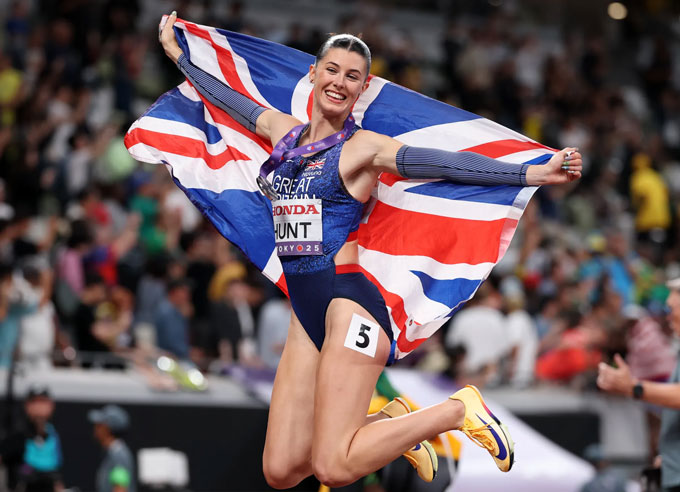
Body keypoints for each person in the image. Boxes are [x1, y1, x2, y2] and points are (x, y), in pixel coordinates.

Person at [160, 12, 582, 488]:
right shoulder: (284, 134)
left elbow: (443, 164)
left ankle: (455, 410)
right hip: (306, 312)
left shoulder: (362, 149)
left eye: (352, 76)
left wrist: (531, 173)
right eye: (332, 70)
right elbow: (229, 100)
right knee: (281, 470)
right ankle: (393, 420)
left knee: (334, 467)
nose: (339, 82)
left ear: (362, 88)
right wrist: (180, 58)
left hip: (349, 305)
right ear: (314, 74)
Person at [597, 277, 680, 492]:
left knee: (654, 421)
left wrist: (633, 387)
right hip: (672, 470)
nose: (667, 316)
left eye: (672, 309)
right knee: (654, 423)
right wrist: (669, 456)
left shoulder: (646, 336)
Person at [0, 385, 64, 492]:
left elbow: (56, 476)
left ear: (51, 405)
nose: (38, 407)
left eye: (42, 401)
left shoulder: (54, 435)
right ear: (27, 406)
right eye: (34, 402)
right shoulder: (17, 436)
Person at [88, 404, 135, 492]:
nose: (95, 428)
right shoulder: (113, 453)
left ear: (107, 428)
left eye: (99, 425)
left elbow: (120, 488)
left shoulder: (119, 455)